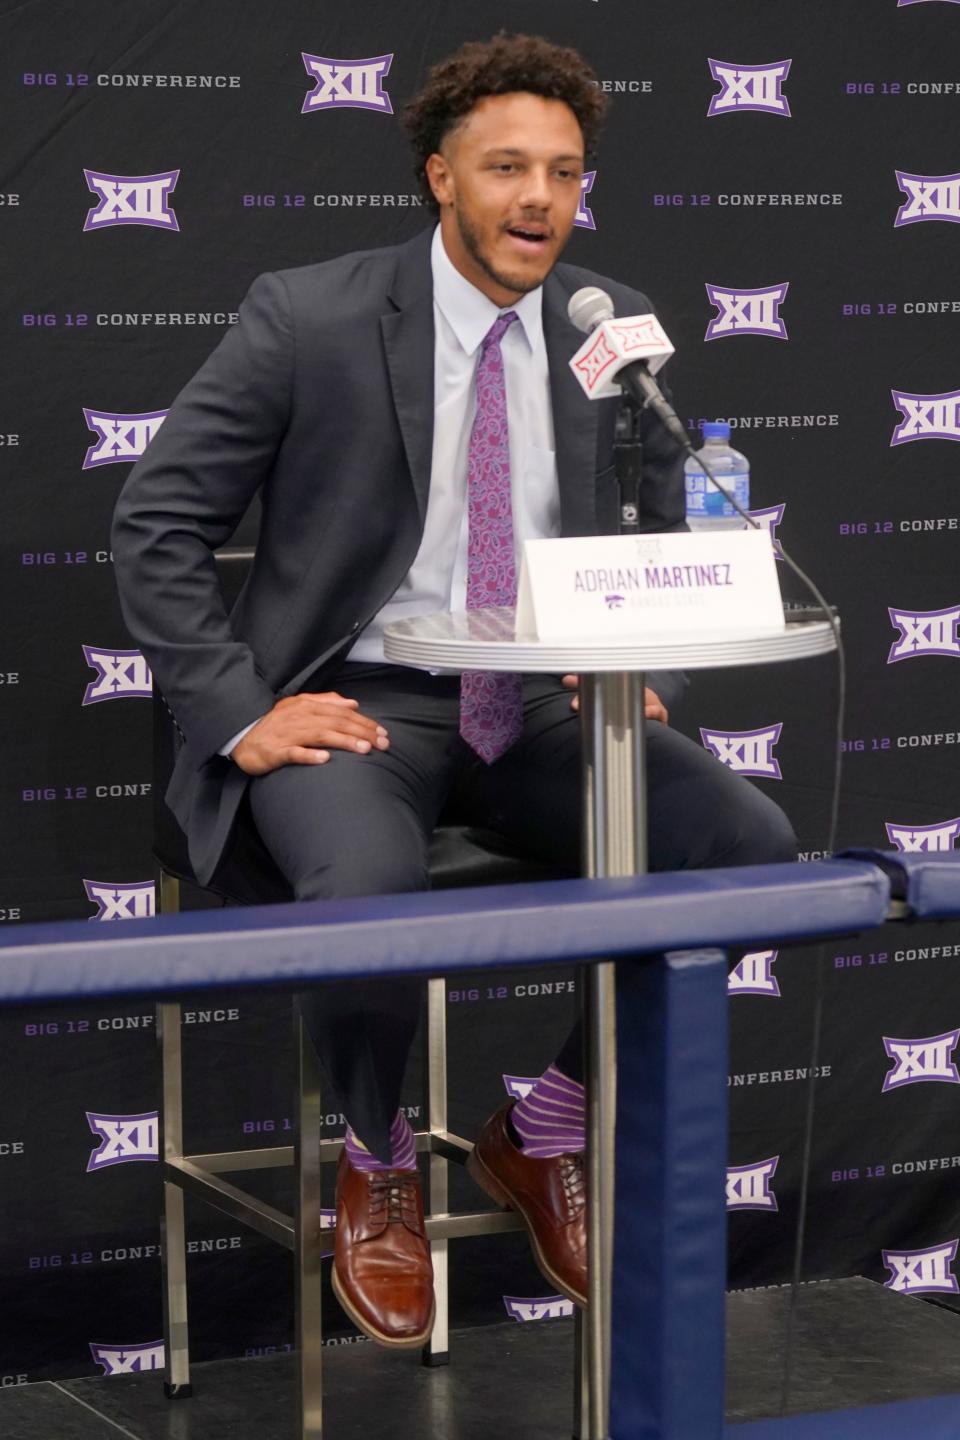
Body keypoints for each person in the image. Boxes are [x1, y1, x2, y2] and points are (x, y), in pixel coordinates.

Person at [112, 33, 796, 1349]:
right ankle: (370, 1158)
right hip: (365, 700)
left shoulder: (608, 327)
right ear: (441, 178)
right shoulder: (308, 314)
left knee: (747, 846)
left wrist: (636, 650)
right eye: (505, 169)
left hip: (539, 702)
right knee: (367, 895)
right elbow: (156, 522)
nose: (539, 199)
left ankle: (545, 1127)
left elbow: (666, 518)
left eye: (564, 172)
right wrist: (244, 711)